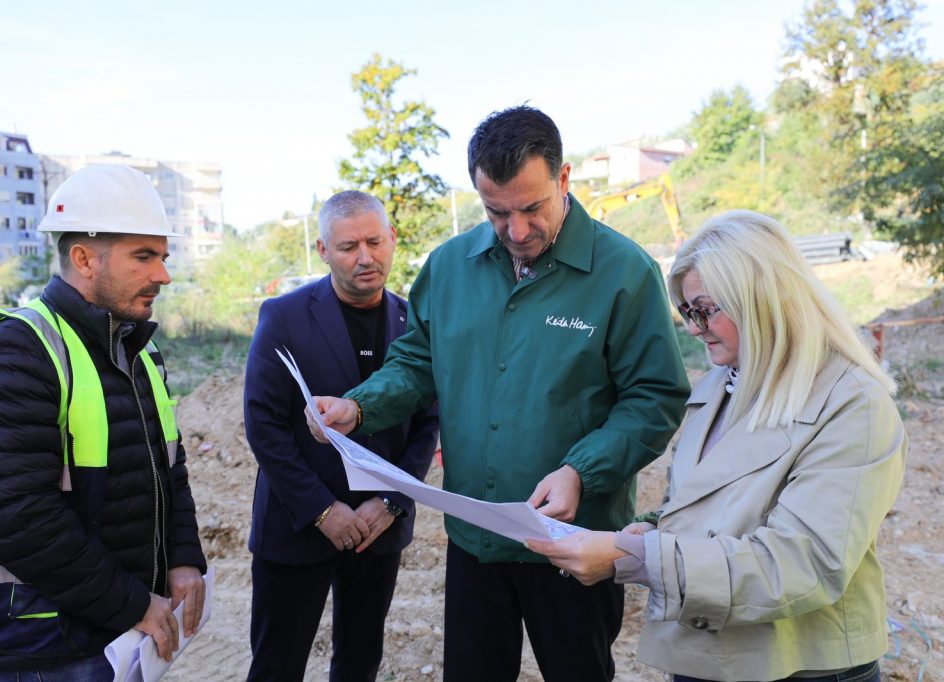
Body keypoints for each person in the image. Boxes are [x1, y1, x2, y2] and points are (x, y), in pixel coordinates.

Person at [310, 106, 690, 681]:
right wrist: (359, 405)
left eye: (532, 208)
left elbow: (654, 397)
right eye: (496, 212)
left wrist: (581, 472)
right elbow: (417, 362)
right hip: (477, 538)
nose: (515, 230)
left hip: (575, 542)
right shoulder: (449, 267)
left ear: (564, 179)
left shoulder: (624, 273)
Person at [528, 210, 907, 682]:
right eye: (688, 312)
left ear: (762, 299)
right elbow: (700, 506)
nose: (694, 327)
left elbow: (803, 562)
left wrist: (638, 558)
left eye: (705, 310)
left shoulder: (853, 405)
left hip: (803, 666)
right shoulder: (718, 386)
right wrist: (645, 533)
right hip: (712, 652)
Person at [0, 164, 207, 680]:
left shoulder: (135, 349)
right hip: (49, 645)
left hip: (121, 632)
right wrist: (132, 603)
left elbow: (168, 469)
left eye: (163, 257)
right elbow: (20, 518)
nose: (163, 275)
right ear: (85, 259)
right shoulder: (14, 353)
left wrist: (183, 557)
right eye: (144, 257)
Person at [243, 190, 439, 682]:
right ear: (324, 250)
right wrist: (322, 510)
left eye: (374, 242)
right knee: (276, 666)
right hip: (298, 525)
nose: (365, 257)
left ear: (392, 238)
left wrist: (390, 502)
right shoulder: (284, 316)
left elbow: (426, 423)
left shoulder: (415, 323)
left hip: (377, 529)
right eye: (349, 246)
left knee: (360, 662)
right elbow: (264, 425)